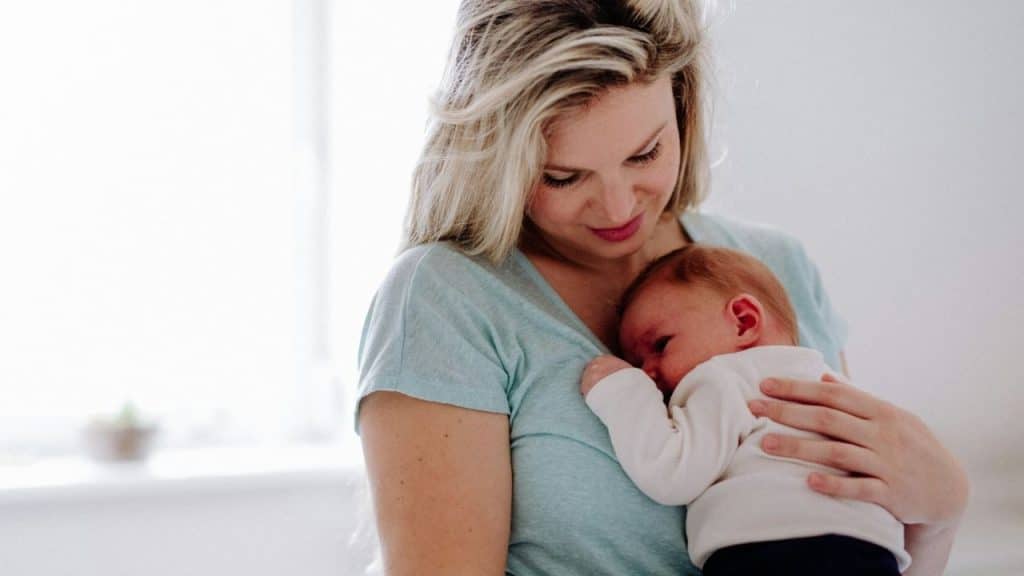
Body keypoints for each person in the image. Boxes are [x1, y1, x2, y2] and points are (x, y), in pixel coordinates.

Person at [356, 1, 968, 574]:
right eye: (565, 177)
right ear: (499, 159)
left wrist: (940, 515)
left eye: (645, 154)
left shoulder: (775, 266)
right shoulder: (447, 301)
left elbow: (845, 535)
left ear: (682, 108)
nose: (618, 206)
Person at [580, 244, 911, 574]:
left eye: (661, 344)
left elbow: (671, 473)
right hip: (874, 551)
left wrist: (623, 390)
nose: (647, 373)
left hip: (774, 550)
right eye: (636, 364)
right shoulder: (833, 382)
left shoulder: (726, 377)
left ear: (743, 321)